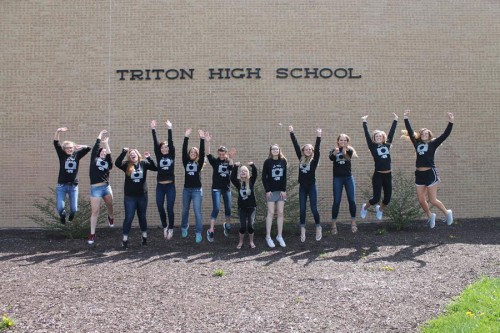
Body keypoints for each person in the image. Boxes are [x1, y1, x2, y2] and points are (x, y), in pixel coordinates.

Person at [402, 110, 454, 228]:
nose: (424, 134)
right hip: (419, 174)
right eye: (423, 133)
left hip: (430, 173)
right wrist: (405, 118)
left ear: (429, 135)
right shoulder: (417, 143)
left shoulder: (433, 143)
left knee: (432, 200)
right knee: (421, 200)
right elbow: (410, 133)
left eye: (426, 133)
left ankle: (447, 212)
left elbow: (445, 135)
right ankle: (430, 216)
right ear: (420, 135)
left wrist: (451, 121)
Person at [115, 147, 157, 249]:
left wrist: (149, 158)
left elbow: (156, 168)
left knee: (142, 216)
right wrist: (123, 152)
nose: (132, 155)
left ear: (138, 155)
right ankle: (125, 240)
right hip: (130, 197)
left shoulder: (144, 163)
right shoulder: (126, 165)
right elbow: (117, 163)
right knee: (129, 217)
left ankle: (144, 238)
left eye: (133, 153)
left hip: (142, 196)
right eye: (130, 154)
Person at [359, 113, 398, 220]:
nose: (378, 137)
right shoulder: (372, 146)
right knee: (375, 199)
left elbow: (392, 133)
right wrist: (364, 122)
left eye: (380, 136)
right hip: (378, 175)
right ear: (374, 139)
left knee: (387, 199)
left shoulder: (387, 145)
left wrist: (395, 120)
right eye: (376, 136)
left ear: (383, 138)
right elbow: (367, 135)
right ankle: (365, 207)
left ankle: (380, 209)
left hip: (388, 175)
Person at [289, 125, 322, 242]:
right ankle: (303, 230)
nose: (308, 150)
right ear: (303, 151)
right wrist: (292, 132)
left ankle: (318, 227)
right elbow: (295, 145)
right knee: (302, 209)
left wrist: (318, 137)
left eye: (310, 149)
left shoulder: (314, 161)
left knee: (314, 208)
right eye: (306, 149)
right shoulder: (300, 158)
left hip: (312, 186)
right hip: (302, 187)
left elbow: (317, 149)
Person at [54, 127, 91, 225]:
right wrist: (58, 132)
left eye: (71, 147)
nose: (69, 149)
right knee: (60, 207)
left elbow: (89, 148)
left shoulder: (77, 155)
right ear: (64, 149)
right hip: (61, 185)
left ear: (73, 148)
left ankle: (71, 215)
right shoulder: (62, 155)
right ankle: (62, 215)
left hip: (73, 186)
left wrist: (81, 146)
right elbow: (56, 143)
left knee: (74, 209)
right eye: (67, 148)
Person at [205, 134, 235, 242]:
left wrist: (231, 158)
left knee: (228, 209)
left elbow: (231, 168)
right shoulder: (215, 161)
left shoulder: (228, 161)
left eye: (224, 154)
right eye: (220, 154)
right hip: (216, 188)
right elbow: (208, 154)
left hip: (226, 188)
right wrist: (207, 141)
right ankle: (211, 230)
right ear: (218, 153)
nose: (222, 156)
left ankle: (227, 225)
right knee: (216, 208)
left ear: (226, 154)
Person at [88, 130, 114, 245]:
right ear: (98, 153)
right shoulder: (94, 160)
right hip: (96, 189)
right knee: (95, 211)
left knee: (110, 204)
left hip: (106, 187)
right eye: (102, 152)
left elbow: (109, 154)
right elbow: (95, 147)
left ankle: (110, 216)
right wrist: (99, 136)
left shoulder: (108, 162)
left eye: (105, 152)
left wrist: (106, 144)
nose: (104, 152)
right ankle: (92, 234)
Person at [151, 119, 176, 240]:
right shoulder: (159, 154)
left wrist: (169, 128)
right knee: (160, 206)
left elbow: (171, 142)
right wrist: (153, 130)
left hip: (170, 185)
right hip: (160, 186)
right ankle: (165, 226)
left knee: (170, 208)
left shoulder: (172, 155)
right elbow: (155, 143)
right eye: (163, 148)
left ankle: (171, 228)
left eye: (166, 147)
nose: (165, 149)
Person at [181, 128, 207, 243]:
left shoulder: (199, 163)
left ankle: (198, 232)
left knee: (197, 211)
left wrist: (202, 139)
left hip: (197, 190)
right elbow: (183, 151)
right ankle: (184, 226)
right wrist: (186, 137)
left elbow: (202, 153)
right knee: (185, 210)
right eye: (191, 152)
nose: (192, 154)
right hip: (186, 190)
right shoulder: (186, 162)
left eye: (194, 153)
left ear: (196, 155)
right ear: (189, 154)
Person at [329, 134, 358, 234]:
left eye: (345, 140)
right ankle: (333, 224)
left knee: (352, 200)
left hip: (348, 178)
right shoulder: (333, 150)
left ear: (347, 141)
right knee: (337, 201)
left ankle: (353, 222)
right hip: (337, 179)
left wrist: (343, 149)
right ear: (338, 141)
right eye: (341, 140)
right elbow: (331, 158)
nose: (343, 142)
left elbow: (347, 154)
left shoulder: (350, 150)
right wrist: (334, 153)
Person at [262, 144, 288, 248]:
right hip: (271, 191)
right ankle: (268, 236)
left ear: (279, 150)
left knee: (281, 212)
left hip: (281, 191)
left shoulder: (283, 161)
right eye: (273, 149)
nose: (275, 150)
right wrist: (267, 190)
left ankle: (279, 236)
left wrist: (284, 190)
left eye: (276, 149)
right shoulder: (267, 162)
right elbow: (264, 177)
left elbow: (285, 176)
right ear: (270, 151)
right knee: (271, 212)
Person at [231, 162, 258, 249]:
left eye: (245, 171)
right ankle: (241, 242)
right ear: (240, 173)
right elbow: (232, 178)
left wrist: (253, 165)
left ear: (247, 173)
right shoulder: (238, 182)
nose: (243, 172)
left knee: (250, 226)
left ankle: (251, 242)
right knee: (242, 226)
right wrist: (235, 167)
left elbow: (255, 173)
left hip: (251, 207)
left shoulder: (251, 181)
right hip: (242, 208)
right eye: (242, 171)